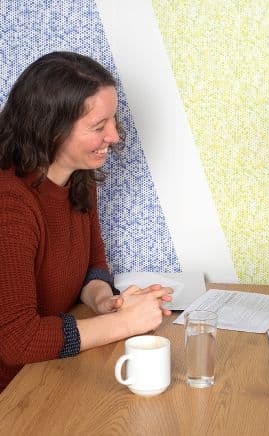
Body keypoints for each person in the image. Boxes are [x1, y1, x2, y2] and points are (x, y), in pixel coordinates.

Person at [0, 51, 172, 393]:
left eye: (112, 120)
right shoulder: (9, 205)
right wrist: (123, 323)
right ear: (51, 130)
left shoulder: (80, 180)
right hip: (14, 393)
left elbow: (94, 265)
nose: (115, 136)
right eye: (98, 126)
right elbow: (17, 341)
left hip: (52, 371)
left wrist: (105, 301)